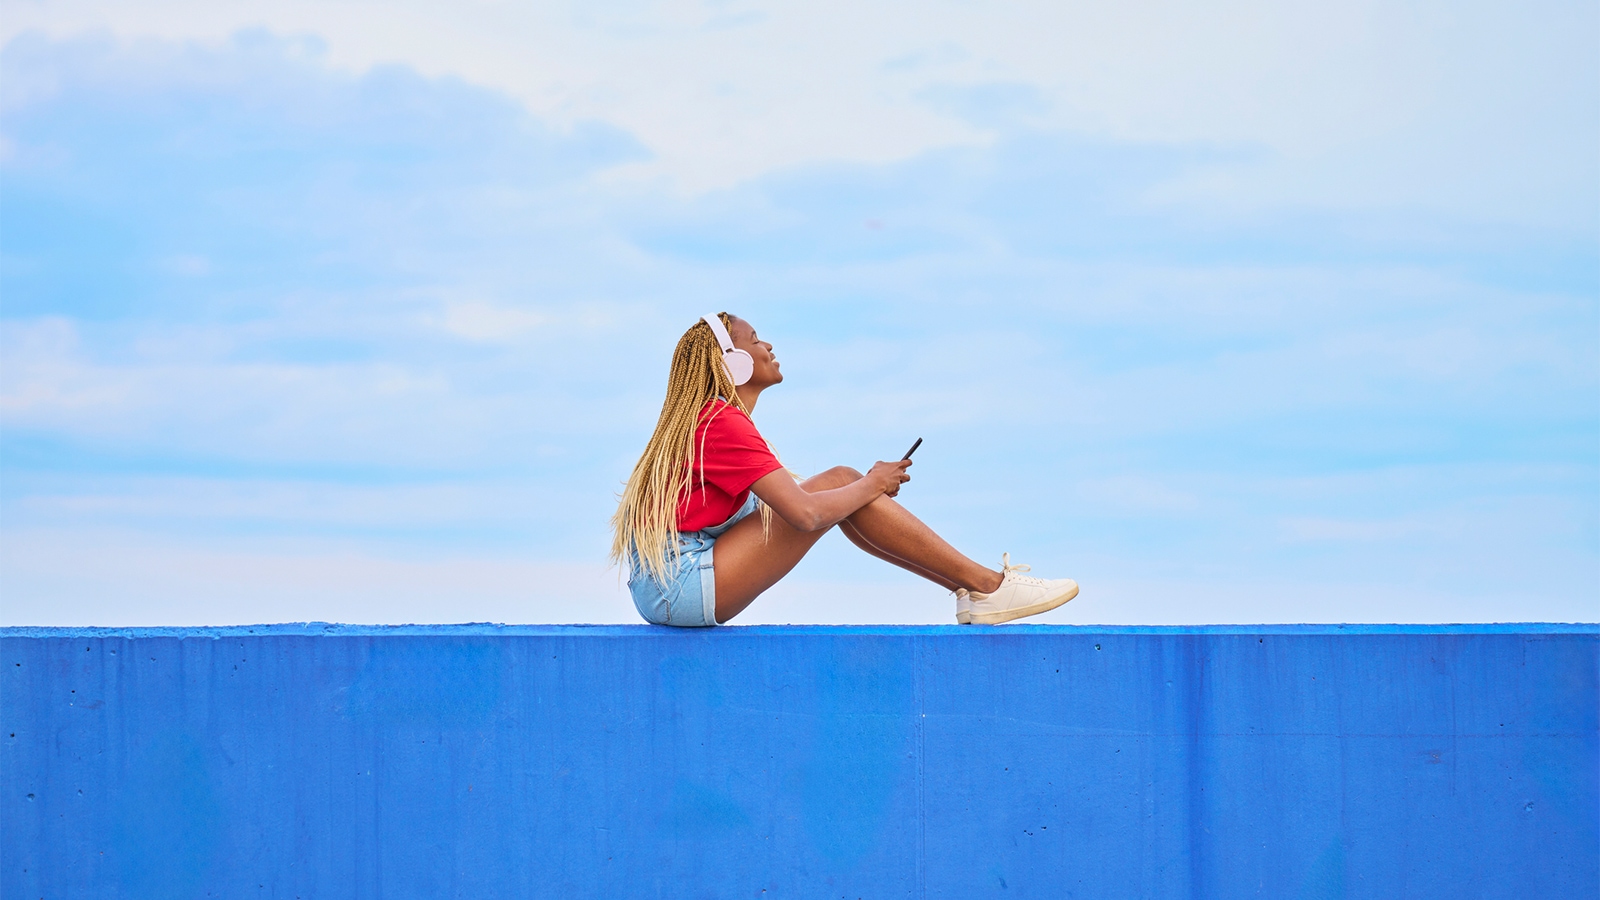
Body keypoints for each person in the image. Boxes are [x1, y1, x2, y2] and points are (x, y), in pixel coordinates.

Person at [610, 312, 1079, 626]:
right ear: (731, 362)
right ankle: (986, 586)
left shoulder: (712, 420)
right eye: (754, 340)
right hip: (681, 583)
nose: (768, 344)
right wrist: (871, 482)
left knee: (842, 489)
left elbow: (816, 507)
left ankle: (973, 592)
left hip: (670, 584)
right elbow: (807, 515)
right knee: (840, 483)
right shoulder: (721, 422)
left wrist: (862, 491)